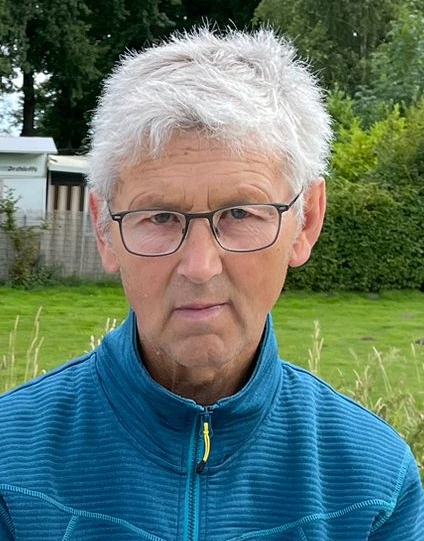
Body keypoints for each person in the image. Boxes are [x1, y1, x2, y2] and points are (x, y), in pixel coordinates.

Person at [0, 27, 422, 541]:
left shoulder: (373, 481)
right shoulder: (10, 465)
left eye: (241, 213)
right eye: (159, 217)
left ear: (306, 221)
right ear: (104, 229)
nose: (200, 267)